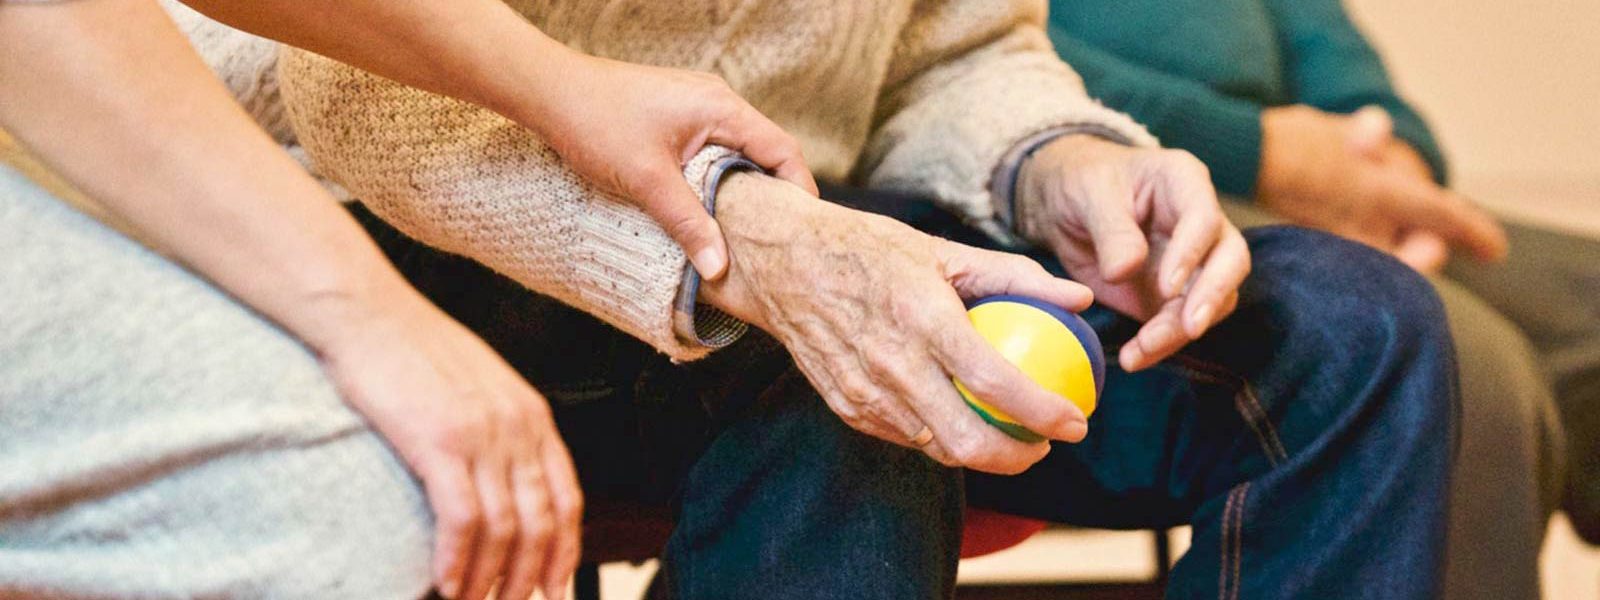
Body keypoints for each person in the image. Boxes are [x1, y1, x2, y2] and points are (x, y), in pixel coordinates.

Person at [272, 0, 1460, 598]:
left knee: (1355, 332)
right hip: (416, 226)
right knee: (854, 369)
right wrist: (750, 238)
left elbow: (957, 49)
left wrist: (1063, 163)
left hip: (825, 209)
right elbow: (366, 92)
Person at [0, 0, 815, 598]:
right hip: (326, 182)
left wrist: (574, 91)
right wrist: (371, 318)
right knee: (348, 515)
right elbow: (331, 85)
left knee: (840, 382)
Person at [1041, 1, 1596, 596]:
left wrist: (1393, 164)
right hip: (1093, 179)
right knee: (1438, 349)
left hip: (1309, 174)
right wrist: (1262, 155)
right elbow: (977, 56)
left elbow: (1324, 39)